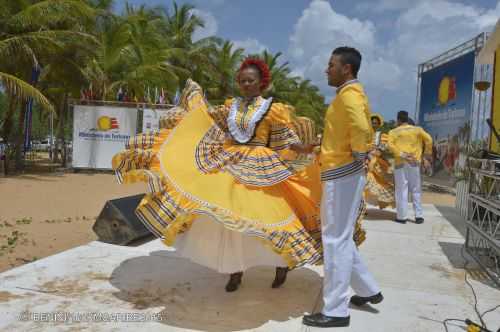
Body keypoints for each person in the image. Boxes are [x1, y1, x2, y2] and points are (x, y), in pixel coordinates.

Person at [112, 58, 367, 293]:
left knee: (267, 217)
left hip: (263, 167)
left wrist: (305, 148)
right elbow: (210, 123)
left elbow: (285, 139)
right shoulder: (230, 108)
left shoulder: (272, 109)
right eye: (242, 81)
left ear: (261, 82)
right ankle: (235, 271)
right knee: (230, 218)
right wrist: (192, 112)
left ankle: (282, 263)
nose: (246, 85)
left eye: (251, 81)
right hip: (231, 161)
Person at [302, 47, 382, 328]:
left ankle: (336, 310)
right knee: (341, 237)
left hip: (341, 174)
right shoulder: (349, 94)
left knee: (334, 240)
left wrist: (360, 156)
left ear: (346, 68)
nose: (327, 69)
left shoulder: (348, 96)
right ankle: (368, 289)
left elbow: (361, 128)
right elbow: (348, 131)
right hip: (340, 172)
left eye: (331, 65)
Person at [388, 110, 433, 224]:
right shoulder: (417, 130)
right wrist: (426, 155)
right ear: (407, 119)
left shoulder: (393, 132)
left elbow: (390, 146)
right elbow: (429, 139)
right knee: (416, 189)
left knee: (401, 190)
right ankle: (418, 216)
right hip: (414, 162)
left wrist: (403, 154)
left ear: (398, 120)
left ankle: (402, 217)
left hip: (400, 163)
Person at [364, 113, 395, 209]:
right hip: (364, 162)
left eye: (375, 123)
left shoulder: (380, 135)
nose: (373, 124)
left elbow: (386, 146)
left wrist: (379, 151)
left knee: (378, 183)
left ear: (378, 124)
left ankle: (363, 206)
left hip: (376, 164)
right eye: (372, 122)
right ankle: (362, 207)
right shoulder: (363, 134)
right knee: (364, 184)